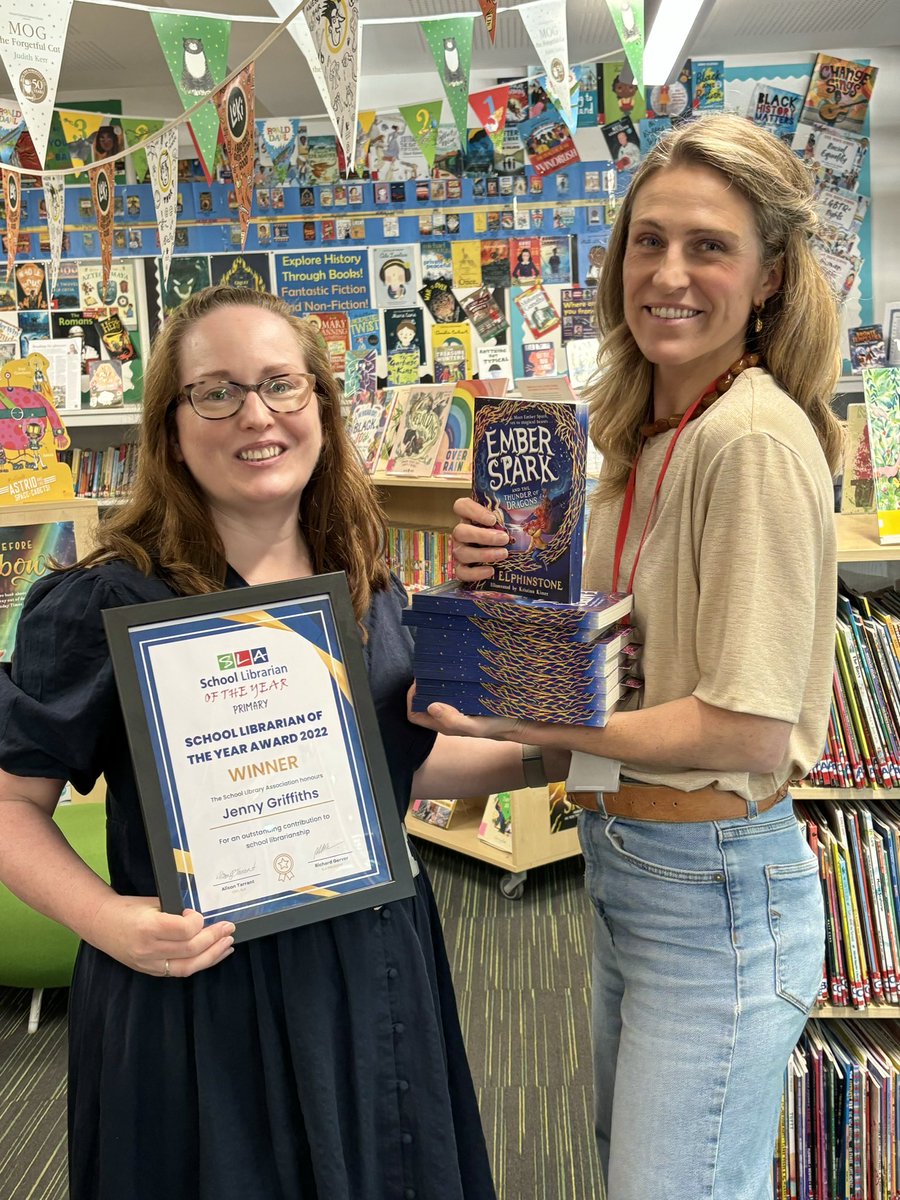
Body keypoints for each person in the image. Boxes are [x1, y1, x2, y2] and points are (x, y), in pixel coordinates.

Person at [0, 285, 556, 1200]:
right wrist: (106, 923)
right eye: (216, 392)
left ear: (322, 409)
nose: (256, 415)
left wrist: (553, 757)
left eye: (281, 386)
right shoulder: (109, 601)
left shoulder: (366, 585)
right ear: (171, 428)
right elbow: (12, 806)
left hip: (370, 974)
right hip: (199, 995)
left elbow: (383, 773)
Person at [415, 113, 843, 1198]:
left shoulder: (749, 439)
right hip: (631, 866)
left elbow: (744, 726)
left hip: (714, 891)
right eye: (647, 241)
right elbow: (607, 663)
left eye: (708, 246)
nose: (669, 273)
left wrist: (522, 720)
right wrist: (497, 574)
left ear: (771, 278)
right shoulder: (637, 434)